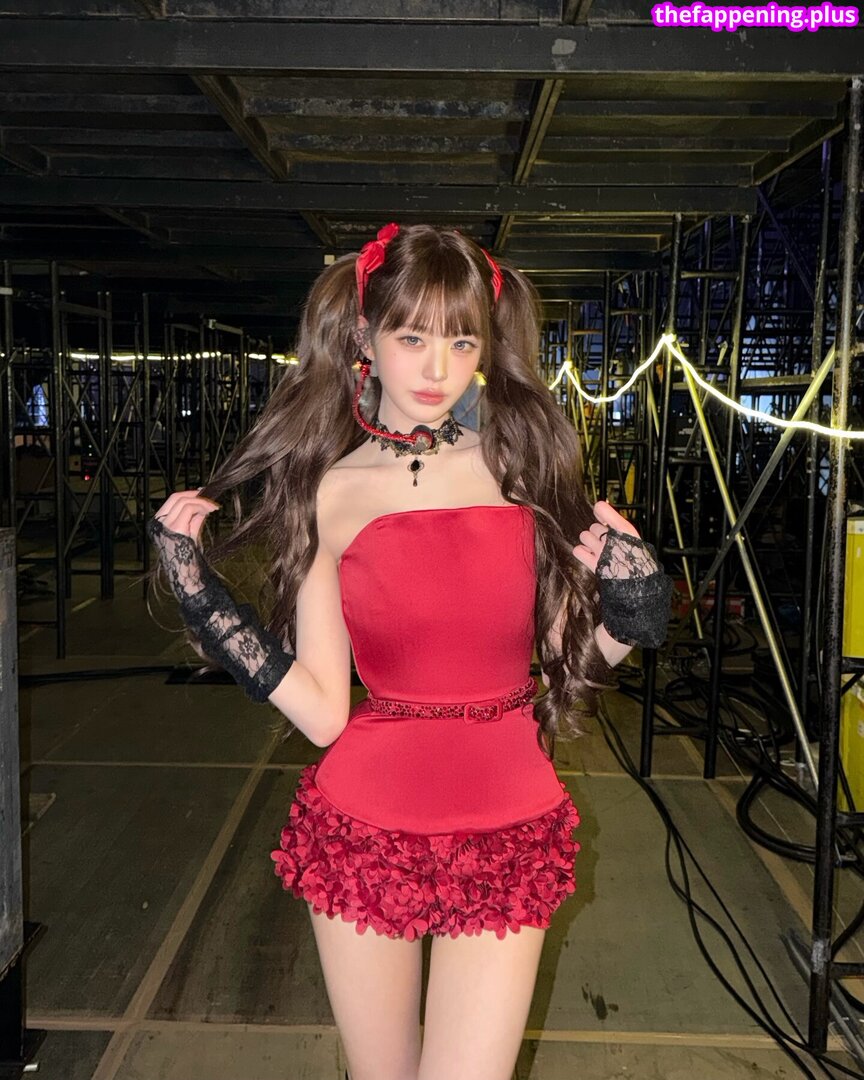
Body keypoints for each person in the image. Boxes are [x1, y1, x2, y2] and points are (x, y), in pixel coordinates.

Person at [148, 223, 673, 1080]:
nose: (438, 368)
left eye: (462, 341)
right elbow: (324, 713)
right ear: (365, 337)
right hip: (365, 818)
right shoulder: (331, 490)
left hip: (507, 816)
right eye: (412, 337)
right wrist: (211, 609)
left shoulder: (523, 470)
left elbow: (564, 663)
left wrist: (632, 613)